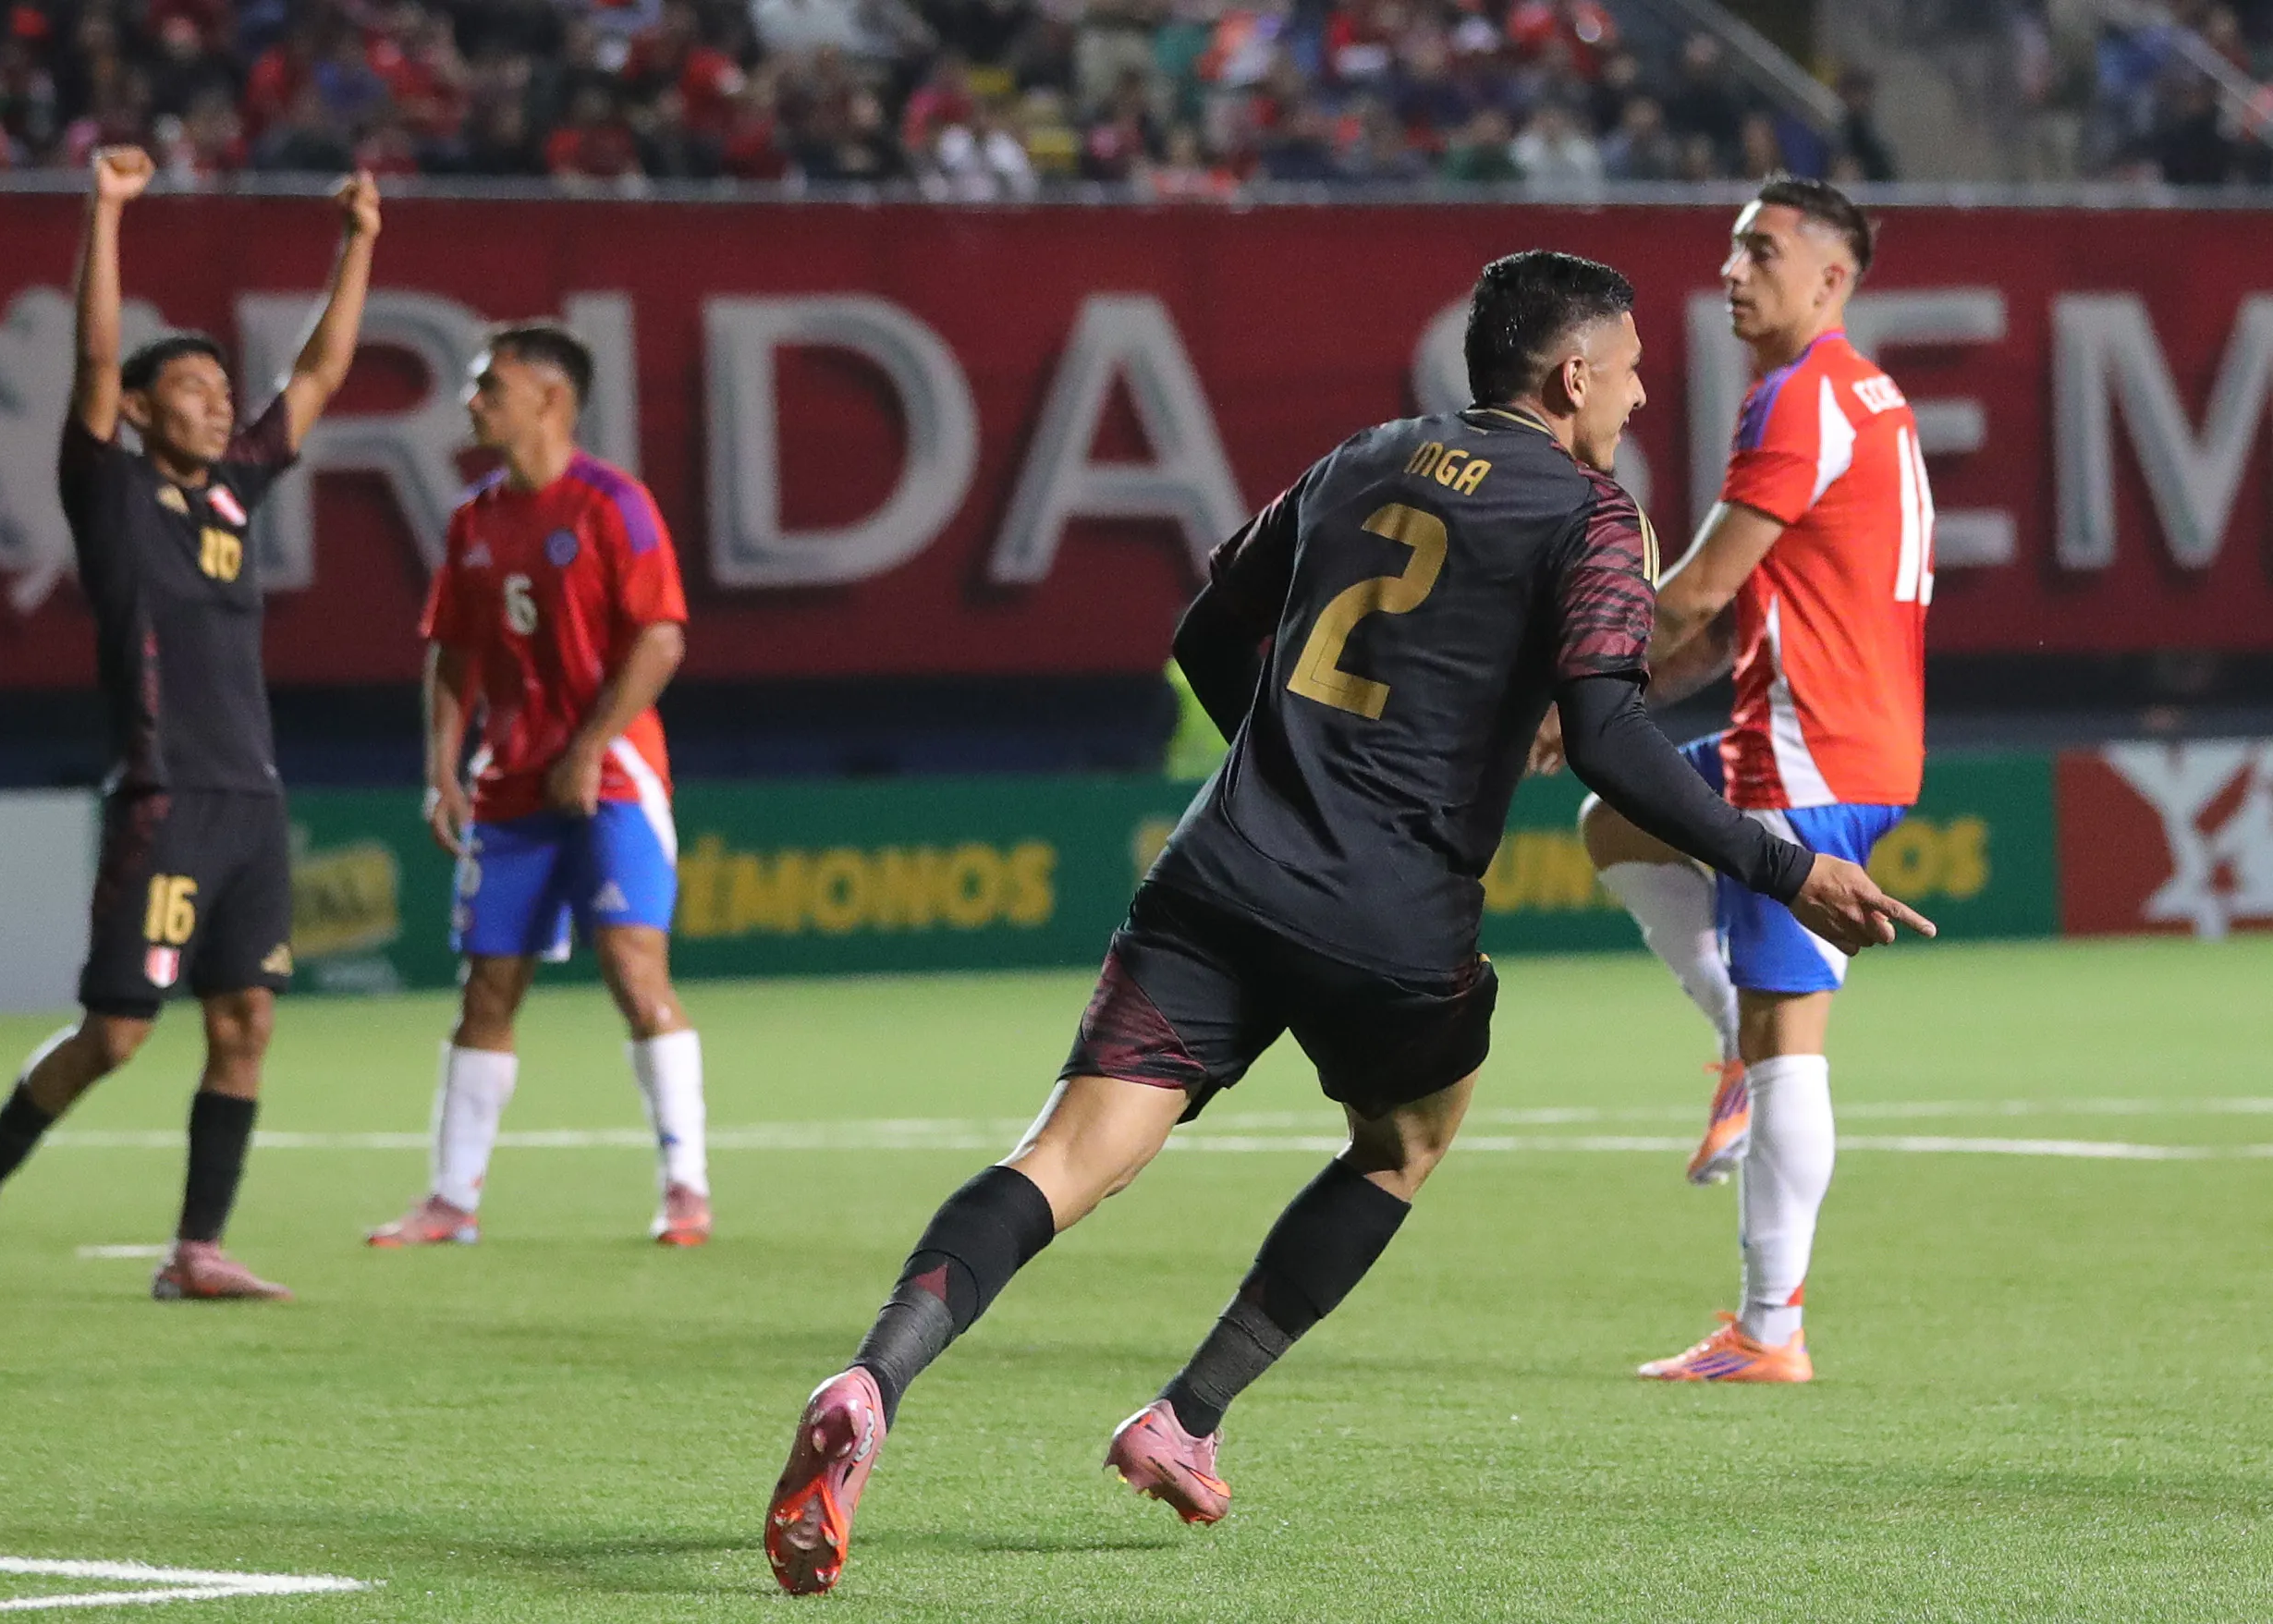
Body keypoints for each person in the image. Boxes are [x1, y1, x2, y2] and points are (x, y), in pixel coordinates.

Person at [761, 250, 1933, 1595]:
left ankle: (872, 1378)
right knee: (1402, 1143)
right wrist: (1782, 871)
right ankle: (1185, 1416)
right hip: (1392, 915)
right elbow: (1609, 736)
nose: (1644, 394)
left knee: (1066, 1153)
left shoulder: (1362, 456)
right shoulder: (1597, 517)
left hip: (1220, 868)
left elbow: (1210, 630)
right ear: (1573, 375)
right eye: (1631, 370)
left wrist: (1284, 769)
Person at [0, 148, 380, 1306]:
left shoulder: (230, 493)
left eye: (224, 390)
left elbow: (316, 375)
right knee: (116, 1035)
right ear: (138, 411)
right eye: (197, 389)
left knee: (246, 1021)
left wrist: (360, 240)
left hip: (251, 799)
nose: (220, 402)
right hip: (165, 795)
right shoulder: (109, 489)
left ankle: (196, 1250)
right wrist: (106, 212)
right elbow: (98, 355)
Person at [1541, 176, 1931, 1383]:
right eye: (1729, 249)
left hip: (1805, 751)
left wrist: (1576, 685)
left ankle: (1770, 1331)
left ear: (1833, 277)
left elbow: (1701, 590)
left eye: (1761, 250)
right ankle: (1731, 1059)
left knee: (1788, 1044)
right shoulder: (1857, 396)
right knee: (1618, 822)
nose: (1731, 269)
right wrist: (1609, 708)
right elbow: (1728, 619)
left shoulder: (1802, 398)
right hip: (1836, 732)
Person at [364, 324, 710, 1251]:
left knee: (636, 974)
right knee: (487, 988)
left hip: (613, 775)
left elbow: (661, 636)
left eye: (491, 386)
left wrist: (591, 743)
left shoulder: (613, 504)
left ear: (551, 400)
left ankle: (685, 1186)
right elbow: (453, 650)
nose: (473, 401)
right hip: (510, 783)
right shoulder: (474, 516)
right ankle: (450, 1198)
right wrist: (442, 762)